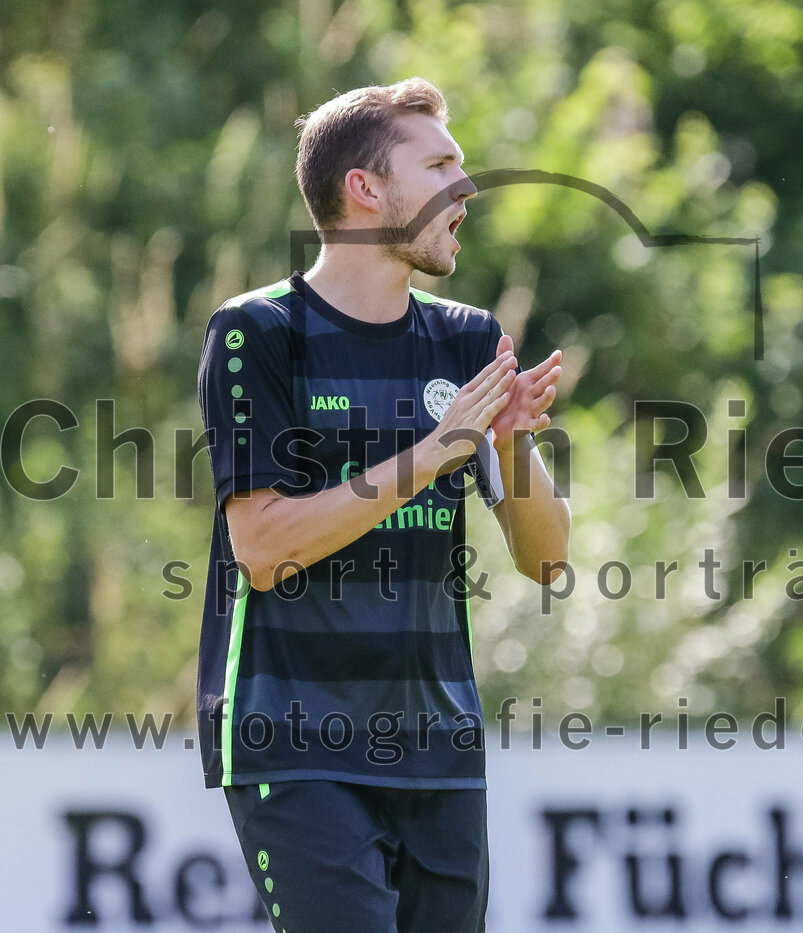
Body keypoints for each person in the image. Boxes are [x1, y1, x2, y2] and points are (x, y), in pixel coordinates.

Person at [196, 77, 570, 932]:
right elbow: (262, 546)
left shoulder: (469, 339)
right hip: (293, 746)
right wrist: (437, 449)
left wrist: (506, 440)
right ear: (364, 190)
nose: (466, 189)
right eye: (440, 165)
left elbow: (547, 558)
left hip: (439, 751)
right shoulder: (258, 332)